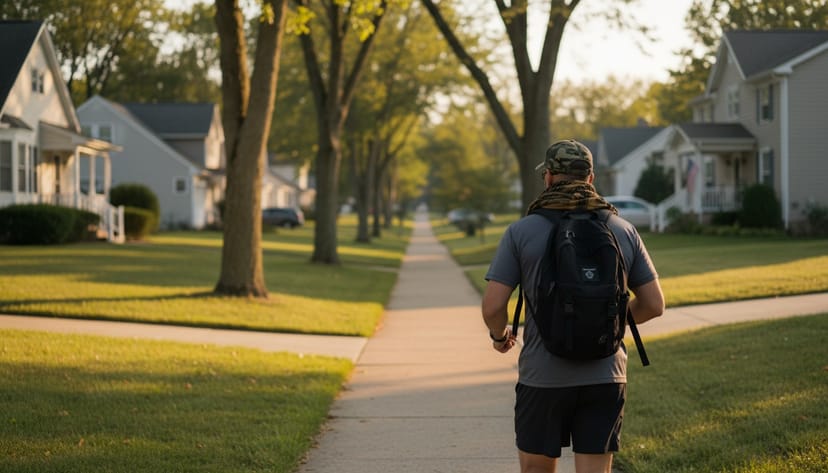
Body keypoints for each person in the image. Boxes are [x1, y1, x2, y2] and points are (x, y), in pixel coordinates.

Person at [481, 139, 665, 473]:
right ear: (590, 179)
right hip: (606, 375)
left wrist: (499, 336)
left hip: (543, 378)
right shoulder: (623, 229)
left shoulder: (522, 232)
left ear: (548, 178)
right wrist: (605, 325)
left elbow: (494, 306)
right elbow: (654, 304)